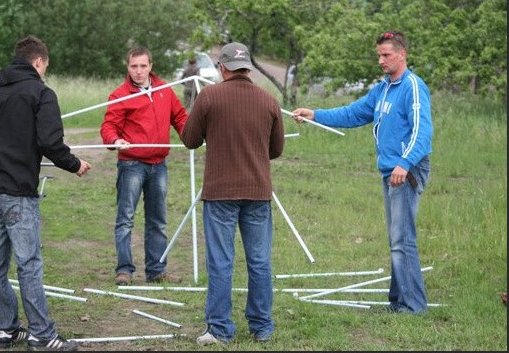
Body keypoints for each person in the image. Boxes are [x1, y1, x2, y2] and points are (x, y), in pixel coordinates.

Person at [292, 31, 433, 314]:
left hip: (406, 171)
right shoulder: (382, 89)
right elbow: (353, 113)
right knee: (397, 238)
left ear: (402, 54)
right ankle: (398, 302)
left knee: (402, 238)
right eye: (379, 55)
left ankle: (413, 306)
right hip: (391, 171)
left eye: (386, 55)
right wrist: (315, 114)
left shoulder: (413, 87)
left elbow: (423, 132)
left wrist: (404, 164)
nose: (381, 60)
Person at [0, 35, 92, 351]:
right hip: (17, 193)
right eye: (45, 66)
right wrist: (74, 164)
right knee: (28, 263)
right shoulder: (41, 93)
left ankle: (6, 329)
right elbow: (51, 142)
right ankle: (41, 334)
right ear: (39, 62)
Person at [181, 42, 285, 345]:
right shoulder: (268, 100)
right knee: (260, 260)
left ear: (222, 67)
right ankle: (262, 326)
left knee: (221, 261)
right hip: (257, 190)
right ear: (247, 67)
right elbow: (276, 149)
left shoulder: (209, 96)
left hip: (220, 192)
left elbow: (189, 140)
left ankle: (219, 328)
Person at [100, 45, 188, 286]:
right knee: (125, 218)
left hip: (159, 164)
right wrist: (114, 140)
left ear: (151, 66)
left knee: (158, 219)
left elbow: (180, 117)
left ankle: (156, 270)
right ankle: (125, 270)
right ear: (127, 67)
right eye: (133, 66)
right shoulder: (120, 95)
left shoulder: (165, 90)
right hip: (132, 164)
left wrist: (190, 134)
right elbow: (109, 127)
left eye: (143, 66)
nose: (138, 71)